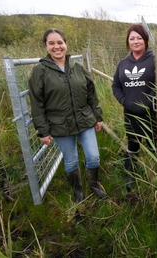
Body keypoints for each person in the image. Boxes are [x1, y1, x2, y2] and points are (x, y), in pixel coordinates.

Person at [28, 29, 107, 202]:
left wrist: (97, 117)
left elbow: (91, 94)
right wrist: (43, 131)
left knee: (93, 157)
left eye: (60, 42)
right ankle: (77, 189)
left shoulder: (77, 67)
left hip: (85, 120)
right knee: (71, 161)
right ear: (46, 46)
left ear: (66, 44)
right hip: (59, 125)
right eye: (52, 43)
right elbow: (37, 103)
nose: (57, 47)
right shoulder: (39, 71)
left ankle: (93, 183)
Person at [112, 24, 157, 192]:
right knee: (133, 144)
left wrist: (149, 100)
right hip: (130, 112)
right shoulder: (123, 63)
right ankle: (131, 174)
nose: (136, 41)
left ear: (145, 40)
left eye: (139, 38)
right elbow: (115, 85)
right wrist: (124, 101)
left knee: (155, 144)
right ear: (128, 41)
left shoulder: (155, 59)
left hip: (152, 113)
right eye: (132, 38)